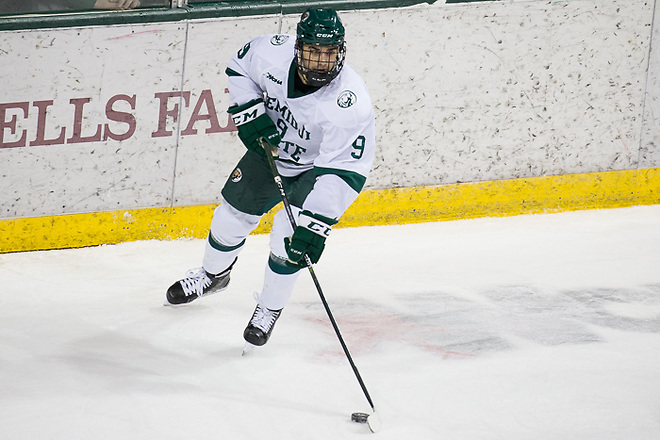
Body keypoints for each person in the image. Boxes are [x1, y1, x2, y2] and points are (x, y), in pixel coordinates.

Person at [166, 8, 376, 348]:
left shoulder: (349, 102)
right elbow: (240, 66)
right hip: (271, 150)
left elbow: (343, 171)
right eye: (314, 51)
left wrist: (317, 224)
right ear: (298, 47)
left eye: (330, 53)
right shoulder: (271, 53)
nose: (322, 62)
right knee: (230, 216)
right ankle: (212, 275)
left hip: (316, 170)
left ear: (341, 52)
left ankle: (268, 308)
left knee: (287, 238)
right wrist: (250, 113)